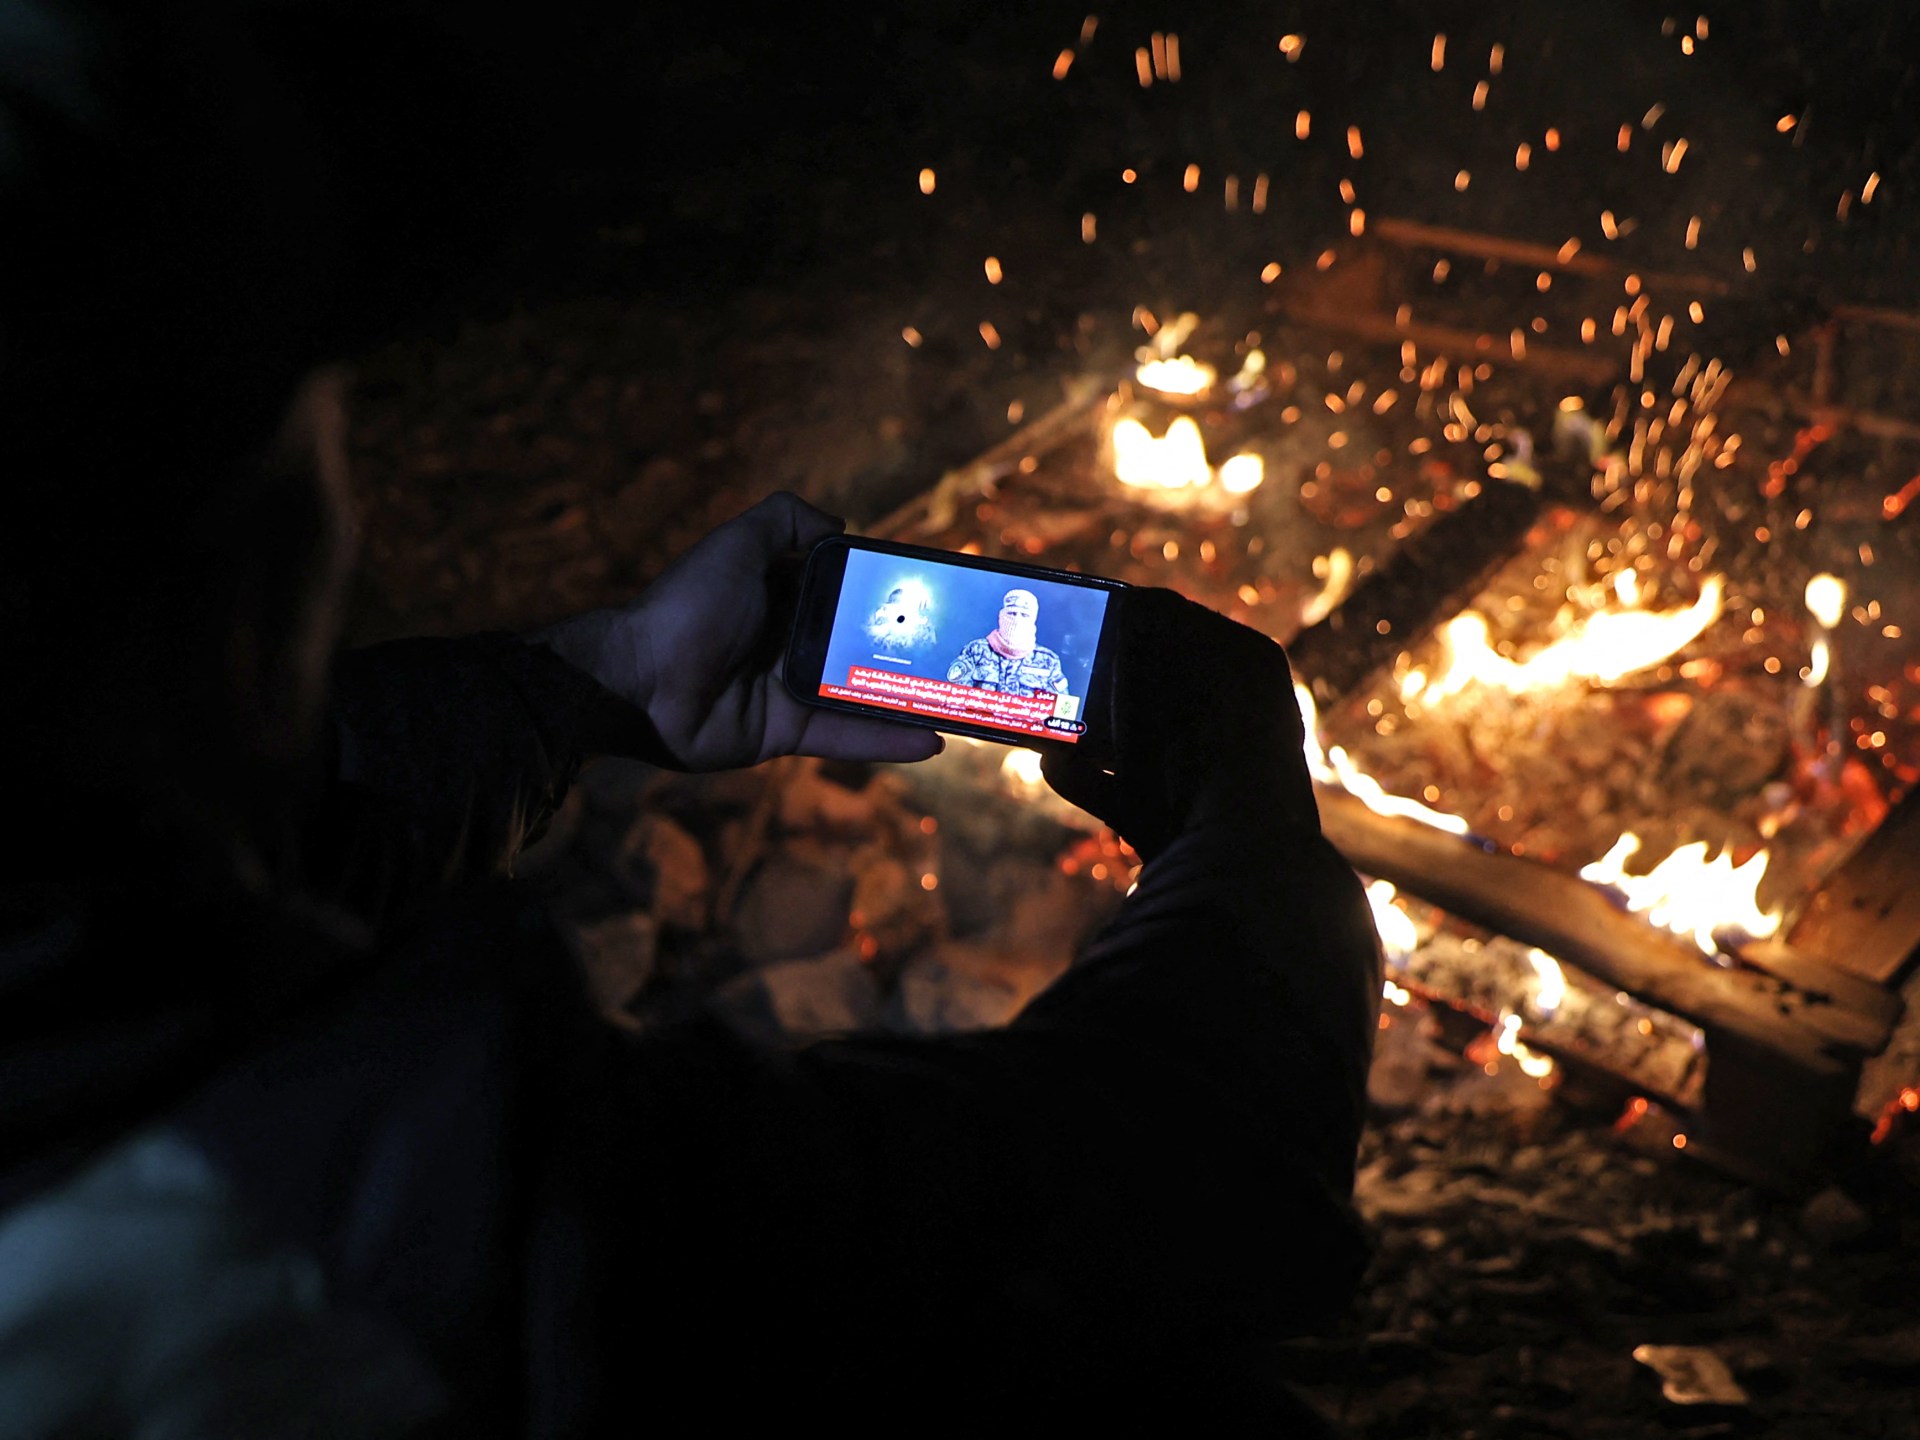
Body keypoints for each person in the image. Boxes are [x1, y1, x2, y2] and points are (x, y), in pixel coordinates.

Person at [0, 5, 1383, 1431]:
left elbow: (231, 832)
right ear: (211, 564)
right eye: (316, 422)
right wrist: (1245, 834)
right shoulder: (382, 1193)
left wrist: (600, 680)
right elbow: (1159, 1184)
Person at [947, 587, 1071, 698]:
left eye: (1024, 615)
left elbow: (1060, 711)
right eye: (1012, 613)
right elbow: (955, 697)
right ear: (1001, 616)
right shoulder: (976, 650)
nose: (1017, 619)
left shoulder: (1048, 661)